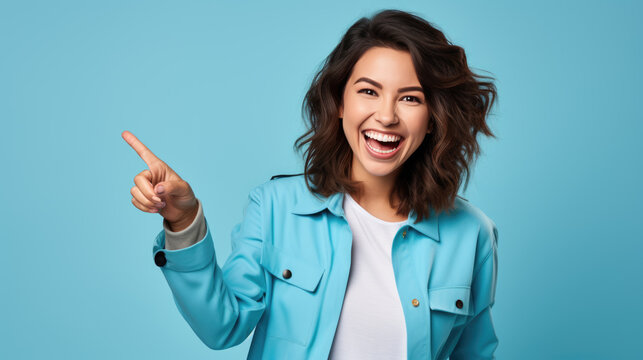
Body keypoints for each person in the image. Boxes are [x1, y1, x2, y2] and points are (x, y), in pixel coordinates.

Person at [123, 9, 499, 360]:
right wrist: (184, 222)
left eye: (411, 98)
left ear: (433, 118)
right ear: (338, 102)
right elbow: (222, 326)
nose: (386, 116)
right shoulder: (275, 208)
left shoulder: (471, 234)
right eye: (368, 91)